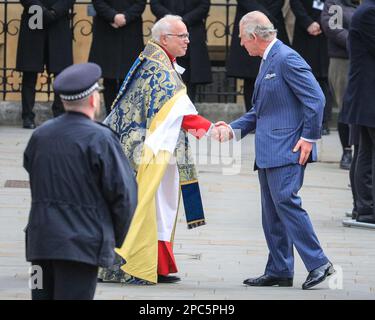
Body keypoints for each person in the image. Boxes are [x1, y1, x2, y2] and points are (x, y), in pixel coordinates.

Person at [216, 11, 334, 289]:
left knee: (286, 203)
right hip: (270, 150)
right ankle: (280, 268)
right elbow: (261, 111)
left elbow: (316, 98)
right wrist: (232, 129)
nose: (241, 45)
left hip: (289, 148)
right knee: (272, 212)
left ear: (254, 37)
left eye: (242, 39)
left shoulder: (286, 58)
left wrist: (309, 137)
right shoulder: (268, 59)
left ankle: (319, 263)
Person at [101, 15, 218, 285]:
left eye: (188, 35)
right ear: (164, 39)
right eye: (182, 36)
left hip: (155, 146)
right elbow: (178, 110)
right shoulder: (157, 68)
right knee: (150, 204)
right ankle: (134, 266)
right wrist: (213, 131)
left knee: (162, 205)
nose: (188, 40)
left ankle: (158, 264)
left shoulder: (158, 61)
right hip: (144, 152)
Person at [23, 63, 138, 300]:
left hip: (41, 243)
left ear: (64, 101)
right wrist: (112, 237)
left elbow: (32, 172)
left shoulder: (40, 135)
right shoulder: (101, 138)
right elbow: (124, 195)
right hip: (81, 245)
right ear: (94, 100)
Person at [341, 0, 375, 224]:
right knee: (366, 151)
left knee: (365, 150)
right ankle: (366, 208)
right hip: (368, 94)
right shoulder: (370, 12)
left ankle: (364, 208)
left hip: (366, 95)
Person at [16, 0, 75, 129]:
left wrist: (55, 11)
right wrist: (41, 10)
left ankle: (59, 115)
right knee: (29, 72)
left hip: (58, 21)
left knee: (60, 72)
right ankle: (27, 116)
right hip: (33, 19)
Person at [227, 0, 290, 112]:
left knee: (276, 73)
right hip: (248, 20)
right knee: (250, 77)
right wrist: (260, 16)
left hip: (272, 20)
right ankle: (252, 118)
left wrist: (266, 18)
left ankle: (273, 116)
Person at [89, 0, 146, 115]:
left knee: (130, 77)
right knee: (108, 77)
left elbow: (140, 3)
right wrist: (112, 16)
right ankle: (110, 115)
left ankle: (128, 116)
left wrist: (126, 17)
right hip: (106, 28)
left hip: (131, 28)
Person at [321, 0, 359, 170]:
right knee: (346, 107)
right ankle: (347, 151)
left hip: (366, 58)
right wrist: (358, 42)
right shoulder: (335, 3)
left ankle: (362, 151)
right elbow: (333, 28)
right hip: (343, 60)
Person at [150, 0, 212, 103]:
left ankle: (189, 111)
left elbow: (204, 5)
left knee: (190, 79)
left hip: (193, 31)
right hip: (167, 31)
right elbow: (155, 4)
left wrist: (184, 21)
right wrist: (172, 22)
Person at [290, 0, 332, 135]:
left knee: (324, 80)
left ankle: (323, 121)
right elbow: (295, 3)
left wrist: (322, 23)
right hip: (305, 34)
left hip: (326, 35)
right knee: (304, 78)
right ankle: (303, 120)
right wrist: (307, 22)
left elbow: (337, 6)